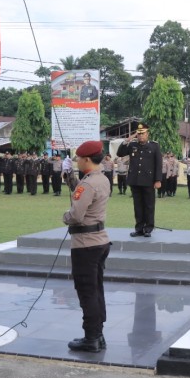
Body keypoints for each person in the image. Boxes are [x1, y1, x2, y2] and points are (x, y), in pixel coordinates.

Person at [63, 140, 111, 353]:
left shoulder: (88, 184)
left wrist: (65, 216)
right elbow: (85, 196)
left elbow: (76, 215)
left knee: (86, 291)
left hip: (85, 244)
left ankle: (91, 337)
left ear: (87, 159)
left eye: (79, 159)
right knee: (96, 289)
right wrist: (71, 180)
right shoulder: (101, 178)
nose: (77, 162)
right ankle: (98, 334)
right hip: (99, 241)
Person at [116, 123, 162, 237]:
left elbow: (158, 164)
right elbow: (120, 153)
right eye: (139, 134)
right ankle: (139, 228)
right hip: (135, 180)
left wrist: (158, 180)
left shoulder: (154, 146)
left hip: (148, 180)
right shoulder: (132, 145)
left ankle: (148, 228)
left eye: (143, 134)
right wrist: (128, 139)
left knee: (149, 205)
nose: (141, 136)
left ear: (147, 134)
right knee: (138, 206)